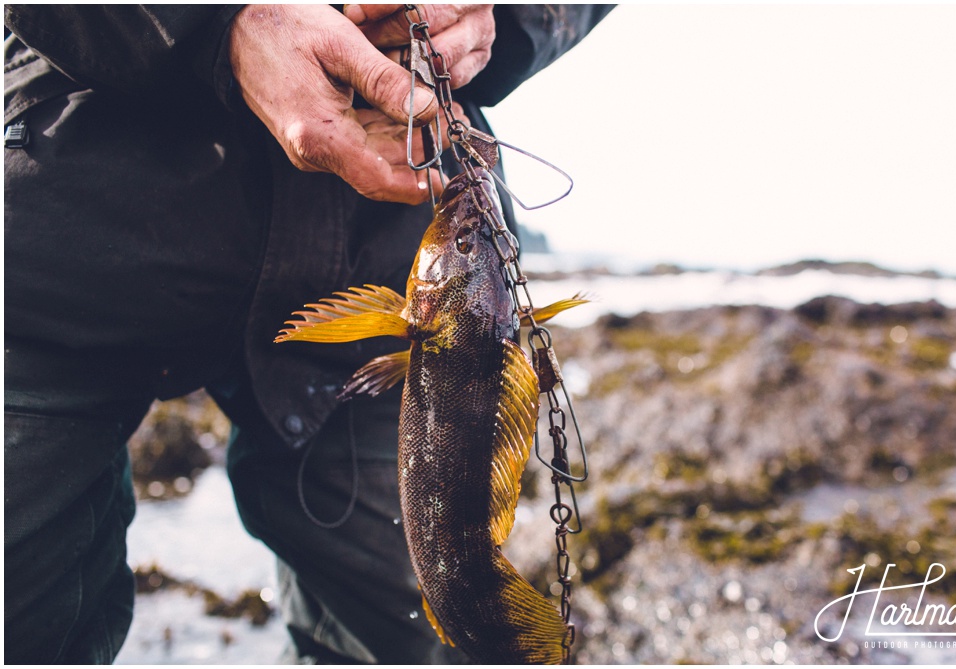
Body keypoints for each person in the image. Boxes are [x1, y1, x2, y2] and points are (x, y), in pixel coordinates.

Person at [4, 4, 613, 664]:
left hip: (375, 234)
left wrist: (504, 15)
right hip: (63, 227)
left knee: (410, 630)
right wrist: (219, 22)